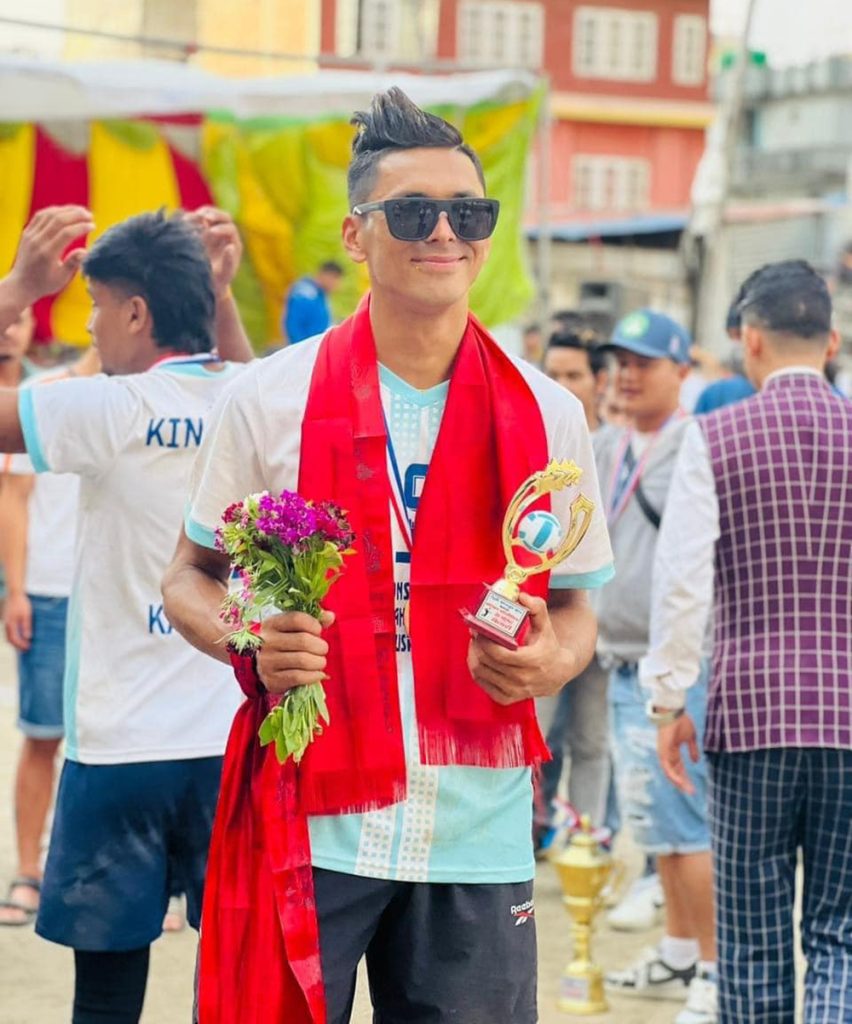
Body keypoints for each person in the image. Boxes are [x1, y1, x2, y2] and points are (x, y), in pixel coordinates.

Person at [162, 87, 615, 1024]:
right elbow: (188, 577)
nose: (444, 232)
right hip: (312, 816)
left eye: (469, 213)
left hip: (477, 824)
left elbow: (575, 606)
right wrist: (250, 636)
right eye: (412, 213)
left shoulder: (548, 412)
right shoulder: (269, 398)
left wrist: (550, 661)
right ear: (356, 233)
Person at [0, 203, 253, 1023]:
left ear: (137, 313)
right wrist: (221, 298)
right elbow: (252, 384)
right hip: (234, 745)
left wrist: (16, 291)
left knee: (106, 1001)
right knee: (239, 985)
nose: (89, 324)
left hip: (121, 750)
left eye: (96, 304)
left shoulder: (108, 406)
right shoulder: (251, 397)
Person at [643, 261, 851, 1024]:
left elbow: (682, 584)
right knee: (841, 936)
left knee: (753, 942)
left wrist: (669, 702)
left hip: (749, 715)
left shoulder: (714, 437)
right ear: (831, 340)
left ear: (751, 339)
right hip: (849, 718)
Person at [594, 309, 717, 1024]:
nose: (629, 375)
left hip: (675, 670)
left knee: (688, 822)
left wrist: (679, 674)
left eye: (646, 362)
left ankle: (714, 968)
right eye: (623, 361)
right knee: (656, 822)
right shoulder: (604, 444)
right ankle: (677, 948)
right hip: (618, 661)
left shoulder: (693, 446)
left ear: (682, 371)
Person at [0, 344, 99, 928]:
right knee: (43, 735)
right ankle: (28, 871)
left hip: (124, 595)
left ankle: (114, 873)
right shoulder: (45, 395)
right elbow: (15, 498)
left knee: (121, 740)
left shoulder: (153, 393)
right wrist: (16, 590)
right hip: (51, 591)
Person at [536, 325, 611, 840]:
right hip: (547, 615)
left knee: (592, 741)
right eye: (553, 373)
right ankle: (530, 832)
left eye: (574, 375)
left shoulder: (617, 446)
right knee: (535, 736)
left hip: (604, 621)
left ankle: (587, 841)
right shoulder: (533, 438)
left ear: (598, 381)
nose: (561, 385)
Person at [282, 260, 344, 343]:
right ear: (325, 275)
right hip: (305, 346)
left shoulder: (320, 294)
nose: (337, 284)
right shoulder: (306, 293)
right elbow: (294, 324)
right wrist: (301, 347)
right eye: (335, 279)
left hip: (314, 345)